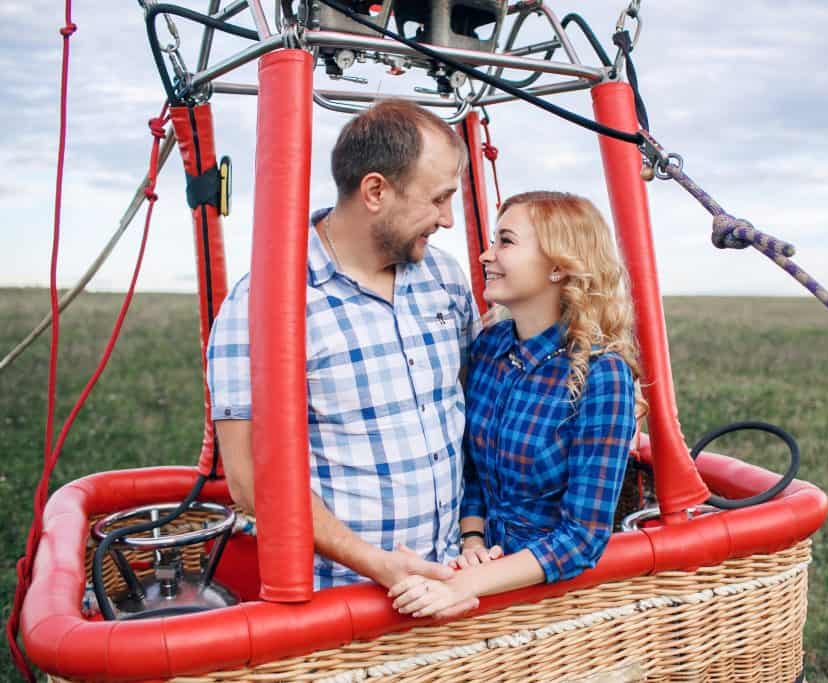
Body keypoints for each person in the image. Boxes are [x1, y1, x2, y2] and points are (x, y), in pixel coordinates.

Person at [206, 100, 479, 601]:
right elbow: (249, 483)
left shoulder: (444, 278)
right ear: (375, 190)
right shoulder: (262, 305)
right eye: (438, 199)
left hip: (452, 581)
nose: (447, 220)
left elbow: (473, 407)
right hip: (344, 599)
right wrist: (377, 564)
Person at [390, 191, 642, 619]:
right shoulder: (489, 348)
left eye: (506, 242)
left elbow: (582, 537)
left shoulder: (602, 375)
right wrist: (471, 541)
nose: (487, 255)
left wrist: (465, 584)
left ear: (559, 266)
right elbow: (469, 467)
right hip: (477, 575)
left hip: (548, 601)